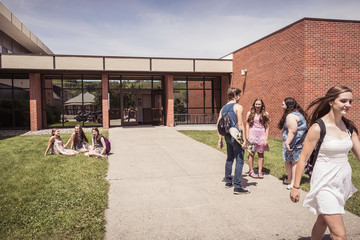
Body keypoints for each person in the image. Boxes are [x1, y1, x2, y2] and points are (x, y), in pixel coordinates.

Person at [290, 86, 359, 240]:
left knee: (322, 221)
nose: (348, 104)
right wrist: (296, 187)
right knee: (339, 234)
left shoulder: (349, 128)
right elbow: (303, 158)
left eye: (350, 101)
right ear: (331, 102)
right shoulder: (317, 128)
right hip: (324, 183)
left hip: (341, 182)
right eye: (343, 101)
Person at [217, 88, 250, 194]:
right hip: (236, 137)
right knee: (240, 160)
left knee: (230, 158)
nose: (240, 97)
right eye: (239, 95)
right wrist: (244, 140)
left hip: (227, 136)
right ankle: (237, 186)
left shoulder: (223, 108)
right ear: (235, 95)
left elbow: (218, 125)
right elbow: (240, 124)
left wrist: (219, 140)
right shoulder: (238, 107)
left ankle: (228, 181)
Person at [278, 97, 307, 190]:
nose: (281, 106)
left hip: (294, 143)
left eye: (283, 104)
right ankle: (289, 179)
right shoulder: (297, 114)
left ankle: (293, 182)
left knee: (294, 162)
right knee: (287, 161)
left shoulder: (291, 116)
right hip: (294, 143)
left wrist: (287, 142)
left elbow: (293, 130)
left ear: (288, 105)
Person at [245, 98, 270, 179]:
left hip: (261, 135)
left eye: (259, 104)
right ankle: (251, 171)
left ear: (262, 105)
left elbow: (267, 127)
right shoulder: (250, 113)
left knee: (261, 154)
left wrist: (266, 139)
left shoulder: (265, 114)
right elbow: (247, 125)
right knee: (251, 153)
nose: (257, 106)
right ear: (254, 105)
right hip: (252, 135)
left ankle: (260, 171)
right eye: (256, 104)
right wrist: (247, 136)